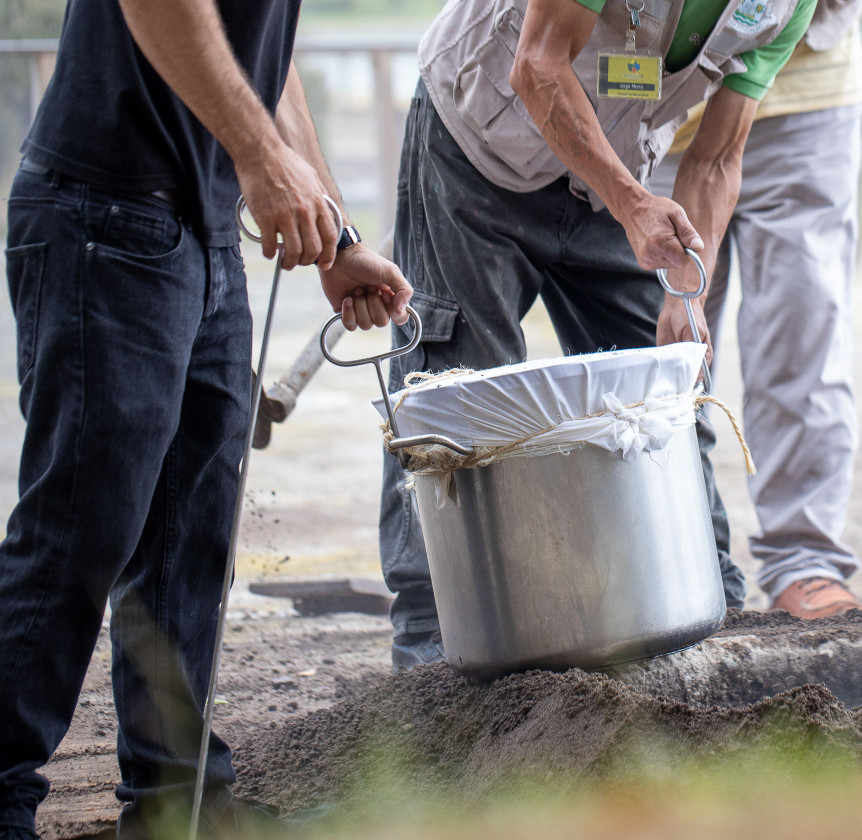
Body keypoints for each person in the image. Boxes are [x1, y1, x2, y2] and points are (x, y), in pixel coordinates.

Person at [0, 1, 412, 837]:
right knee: (79, 534)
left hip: (203, 231)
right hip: (101, 213)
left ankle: (178, 805)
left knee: (191, 542)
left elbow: (269, 58)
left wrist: (335, 237)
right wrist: (261, 157)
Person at [380, 0, 818, 668]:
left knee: (665, 384)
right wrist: (633, 206)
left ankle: (710, 626)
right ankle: (436, 659)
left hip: (611, 170)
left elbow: (716, 157)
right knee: (456, 401)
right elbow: (537, 66)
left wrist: (685, 289)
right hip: (476, 145)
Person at [649, 0, 862, 618]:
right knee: (660, 350)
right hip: (655, 106)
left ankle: (806, 561)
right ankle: (664, 564)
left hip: (804, 95)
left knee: (804, 326)